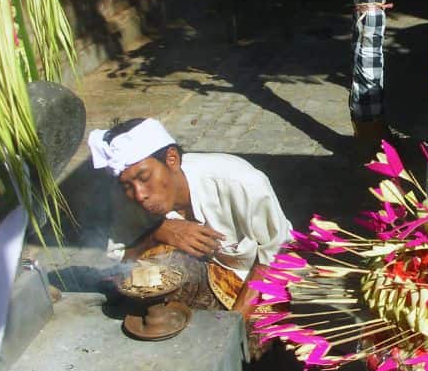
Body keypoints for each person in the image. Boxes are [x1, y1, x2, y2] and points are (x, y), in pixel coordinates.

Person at [87, 117, 292, 317]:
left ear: (172, 159)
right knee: (147, 269)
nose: (140, 195)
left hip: (254, 283)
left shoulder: (241, 182)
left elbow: (278, 254)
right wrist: (157, 233)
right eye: (127, 185)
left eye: (145, 177)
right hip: (201, 278)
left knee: (259, 338)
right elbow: (126, 261)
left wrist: (234, 324)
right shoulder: (129, 196)